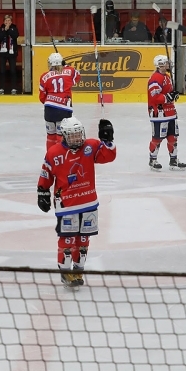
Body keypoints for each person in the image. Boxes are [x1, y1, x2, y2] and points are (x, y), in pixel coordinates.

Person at [37, 117, 116, 288]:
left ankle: (79, 270)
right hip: (66, 204)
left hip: (88, 202)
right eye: (72, 135)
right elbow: (46, 173)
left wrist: (107, 141)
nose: (77, 138)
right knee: (67, 240)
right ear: (64, 135)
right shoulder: (54, 153)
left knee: (83, 241)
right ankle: (66, 272)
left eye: (79, 134)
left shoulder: (90, 146)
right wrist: (42, 191)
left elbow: (108, 157)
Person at [147, 55, 185, 171]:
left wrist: (173, 95)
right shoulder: (155, 78)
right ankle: (153, 159)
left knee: (173, 137)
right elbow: (154, 97)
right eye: (166, 63)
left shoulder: (167, 77)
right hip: (159, 113)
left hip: (171, 112)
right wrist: (167, 97)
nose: (168, 65)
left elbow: (168, 93)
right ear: (160, 65)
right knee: (157, 137)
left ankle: (173, 160)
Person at [39, 52, 81, 151]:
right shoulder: (70, 71)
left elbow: (42, 97)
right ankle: (60, 157)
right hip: (64, 109)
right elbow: (78, 76)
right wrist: (66, 65)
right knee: (61, 136)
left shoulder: (44, 76)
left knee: (50, 136)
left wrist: (51, 100)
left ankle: (50, 157)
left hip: (49, 109)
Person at [0, 14, 20, 95]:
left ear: (11, 22)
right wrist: (4, 30)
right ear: (4, 22)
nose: (7, 22)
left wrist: (8, 30)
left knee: (13, 70)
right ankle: (1, 88)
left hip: (12, 53)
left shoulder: (14, 28)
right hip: (2, 53)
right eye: (6, 21)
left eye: (9, 20)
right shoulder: (0, 29)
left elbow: (15, 36)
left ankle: (13, 88)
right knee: (2, 71)